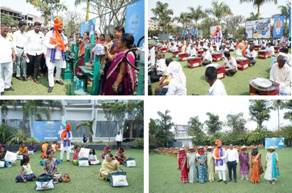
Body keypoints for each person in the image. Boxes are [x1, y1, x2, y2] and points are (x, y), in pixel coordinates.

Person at [44, 17, 68, 93]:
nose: (61, 29)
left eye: (62, 27)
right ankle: (51, 85)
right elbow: (45, 43)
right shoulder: (49, 34)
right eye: (59, 27)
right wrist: (54, 45)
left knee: (59, 69)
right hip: (51, 56)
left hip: (60, 56)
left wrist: (65, 48)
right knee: (50, 70)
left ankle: (57, 79)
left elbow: (66, 44)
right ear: (56, 26)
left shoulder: (63, 35)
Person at [0, 24, 16, 95]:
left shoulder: (10, 37)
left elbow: (12, 48)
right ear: (0, 29)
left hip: (9, 60)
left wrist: (14, 56)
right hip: (1, 60)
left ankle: (8, 86)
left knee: (9, 73)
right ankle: (1, 89)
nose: (6, 31)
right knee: (0, 75)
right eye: (4, 29)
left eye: (7, 29)